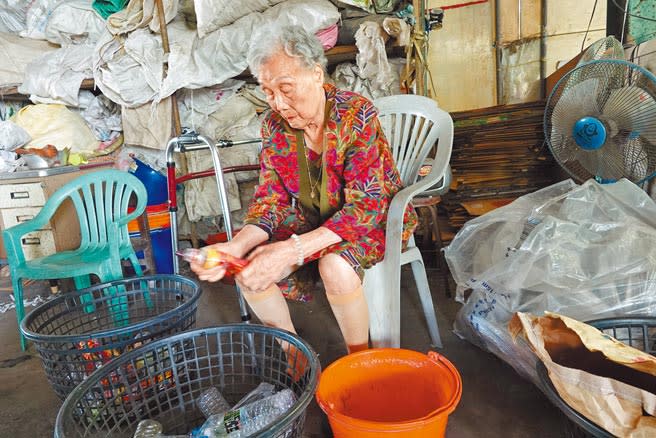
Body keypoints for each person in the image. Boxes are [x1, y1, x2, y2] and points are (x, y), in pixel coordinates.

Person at [191, 25, 417, 355]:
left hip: (375, 219)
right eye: (268, 91)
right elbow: (271, 199)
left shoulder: (356, 116)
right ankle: (293, 353)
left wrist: (293, 250)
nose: (279, 103)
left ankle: (360, 357)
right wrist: (235, 246)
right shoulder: (273, 126)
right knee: (250, 265)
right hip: (316, 217)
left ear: (314, 74)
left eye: (286, 88)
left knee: (334, 266)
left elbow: (367, 206)